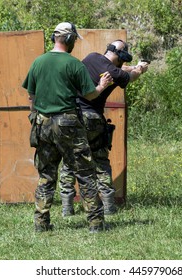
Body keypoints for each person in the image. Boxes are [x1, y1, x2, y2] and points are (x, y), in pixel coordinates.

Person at [22, 22, 113, 233]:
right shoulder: (74, 64)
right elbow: (90, 94)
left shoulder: (38, 62)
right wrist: (102, 86)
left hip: (42, 124)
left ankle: (41, 224)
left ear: (55, 38)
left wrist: (35, 117)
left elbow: (31, 96)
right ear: (70, 39)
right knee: (86, 173)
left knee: (46, 175)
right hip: (69, 124)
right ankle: (95, 224)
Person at [59, 39, 149, 216]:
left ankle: (66, 208)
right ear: (119, 56)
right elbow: (129, 75)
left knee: (70, 161)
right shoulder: (116, 73)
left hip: (73, 116)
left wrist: (132, 66)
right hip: (92, 117)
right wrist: (140, 69)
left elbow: (117, 69)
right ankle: (108, 206)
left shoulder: (91, 57)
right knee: (100, 161)